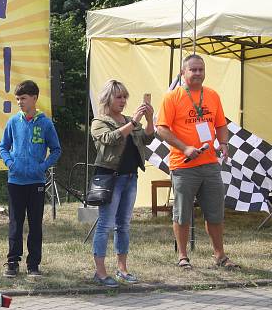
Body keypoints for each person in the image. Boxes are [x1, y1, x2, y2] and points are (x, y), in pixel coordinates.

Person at [155, 54, 241, 270]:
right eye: (193, 70)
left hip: (210, 163)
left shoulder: (212, 95)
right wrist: (185, 148)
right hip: (183, 165)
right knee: (182, 213)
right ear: (183, 73)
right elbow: (161, 129)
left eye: (201, 69)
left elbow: (220, 123)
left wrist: (223, 143)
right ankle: (183, 257)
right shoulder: (172, 97)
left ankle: (220, 256)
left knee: (215, 211)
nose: (197, 73)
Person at [90, 80, 155, 287]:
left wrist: (150, 119)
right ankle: (100, 273)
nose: (123, 101)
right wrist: (134, 122)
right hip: (111, 178)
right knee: (105, 225)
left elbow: (147, 139)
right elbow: (111, 139)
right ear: (108, 98)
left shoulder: (129, 120)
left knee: (123, 225)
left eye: (125, 97)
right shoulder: (100, 121)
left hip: (130, 177)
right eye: (118, 97)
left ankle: (122, 269)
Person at [0, 80, 61, 279]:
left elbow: (56, 150)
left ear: (34, 98)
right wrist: (10, 163)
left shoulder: (45, 123)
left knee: (35, 224)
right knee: (15, 222)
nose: (19, 102)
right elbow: (3, 147)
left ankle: (33, 264)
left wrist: (42, 167)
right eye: (17, 99)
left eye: (23, 98)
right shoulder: (13, 122)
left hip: (36, 183)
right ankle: (12, 262)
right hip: (15, 181)